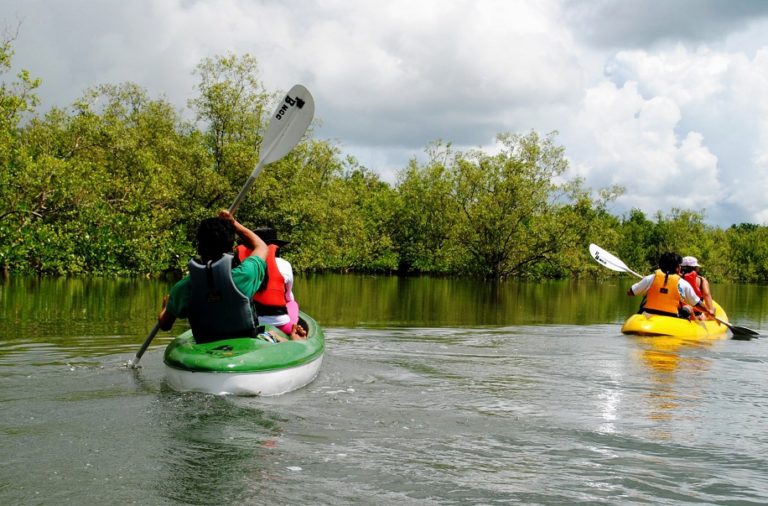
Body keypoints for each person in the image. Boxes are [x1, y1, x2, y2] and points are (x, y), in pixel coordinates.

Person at [158, 210, 269, 343]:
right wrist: (234, 224)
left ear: (199, 249)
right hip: (245, 344)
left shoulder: (183, 288)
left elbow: (165, 325)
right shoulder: (244, 275)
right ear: (233, 248)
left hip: (205, 344)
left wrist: (165, 310)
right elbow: (261, 246)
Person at [236, 226, 302, 338]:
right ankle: (293, 328)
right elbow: (289, 297)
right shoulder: (285, 264)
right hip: (281, 324)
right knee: (292, 303)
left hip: (253, 321)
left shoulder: (246, 265)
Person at [627, 252, 715, 320]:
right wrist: (708, 311)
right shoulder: (683, 284)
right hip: (672, 317)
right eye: (679, 266)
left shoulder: (650, 278)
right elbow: (697, 304)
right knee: (687, 308)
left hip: (648, 315)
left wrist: (647, 286)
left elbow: (630, 292)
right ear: (677, 268)